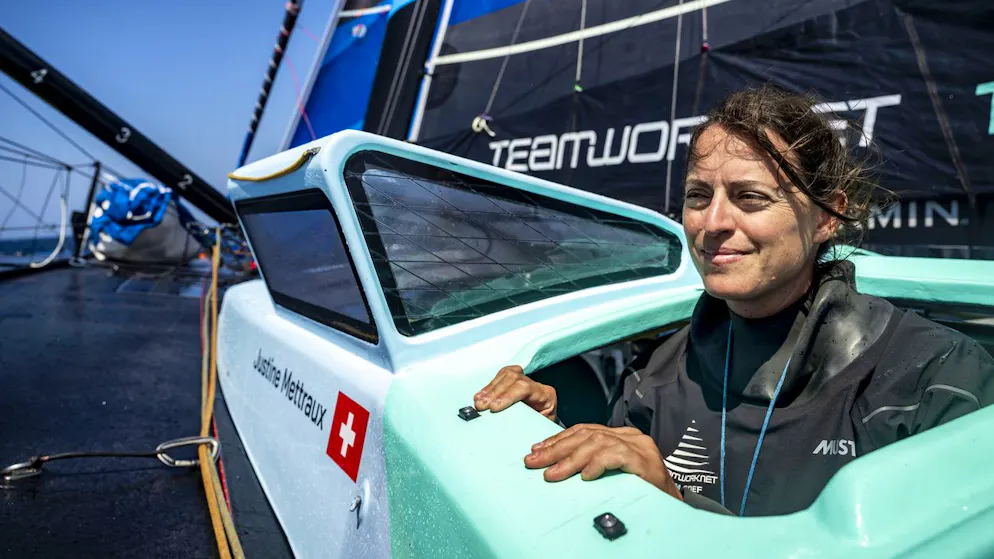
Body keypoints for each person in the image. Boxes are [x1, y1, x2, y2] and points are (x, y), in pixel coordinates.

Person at [473, 85, 994, 517]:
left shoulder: (936, 379)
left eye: (750, 197)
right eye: (698, 196)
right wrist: (550, 435)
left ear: (826, 218)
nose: (714, 222)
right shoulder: (652, 375)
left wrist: (678, 500)